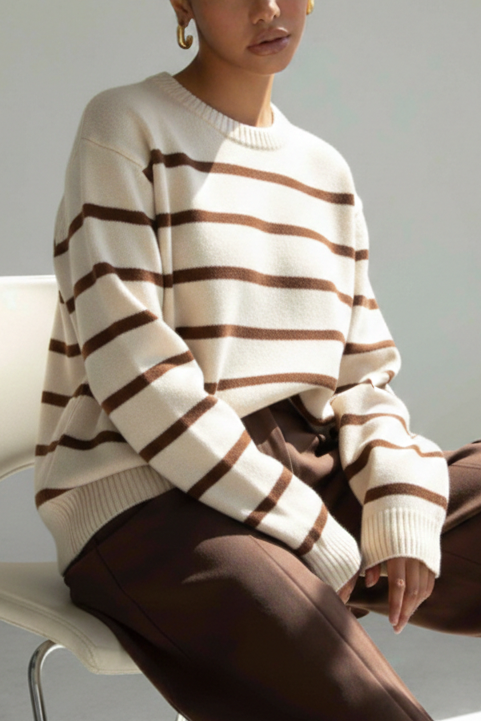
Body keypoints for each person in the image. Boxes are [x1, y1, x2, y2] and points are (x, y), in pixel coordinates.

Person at [34, 1, 481, 719]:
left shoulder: (324, 171)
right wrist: (310, 530)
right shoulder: (124, 126)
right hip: (150, 494)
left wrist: (398, 498)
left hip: (308, 468)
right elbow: (137, 372)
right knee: (365, 704)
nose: (268, 8)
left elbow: (361, 376)